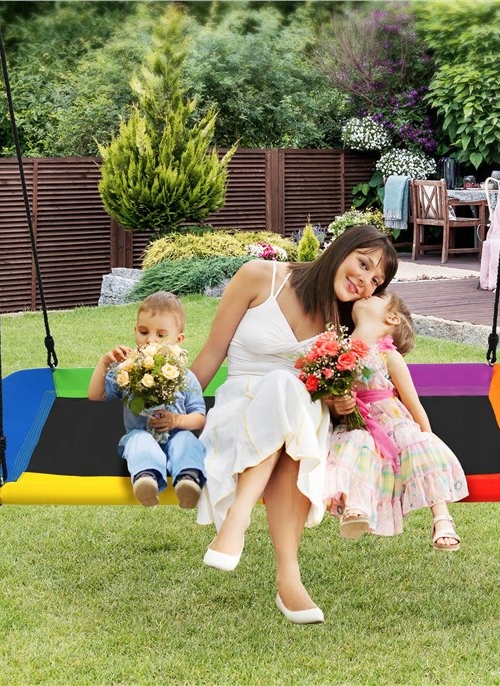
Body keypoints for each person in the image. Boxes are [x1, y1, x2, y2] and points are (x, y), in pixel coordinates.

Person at [190, 225, 397, 624]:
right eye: (363, 264)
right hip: (241, 413)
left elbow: (337, 391)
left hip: (301, 421)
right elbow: (211, 354)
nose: (365, 281)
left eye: (376, 281)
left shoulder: (344, 325)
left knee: (289, 397)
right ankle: (282, 572)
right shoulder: (259, 276)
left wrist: (339, 399)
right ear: (340, 250)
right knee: (283, 390)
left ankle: (249, 535)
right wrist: (170, 408)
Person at [325, 290, 468, 550]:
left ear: (391, 319)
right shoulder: (335, 350)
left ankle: (442, 517)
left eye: (378, 296)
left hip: (393, 423)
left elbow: (413, 404)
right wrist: (337, 405)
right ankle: (355, 506)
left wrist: (428, 439)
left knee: (413, 441)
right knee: (355, 443)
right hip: (358, 424)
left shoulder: (389, 356)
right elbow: (329, 400)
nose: (368, 293)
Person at [88, 291, 207, 509]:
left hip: (175, 435)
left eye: (161, 335)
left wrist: (177, 421)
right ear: (135, 330)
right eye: (143, 332)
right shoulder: (128, 371)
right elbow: (96, 395)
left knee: (187, 441)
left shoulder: (185, 377)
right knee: (138, 440)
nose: (150, 340)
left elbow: (199, 418)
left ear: (178, 340)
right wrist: (104, 363)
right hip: (141, 435)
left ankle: (188, 480)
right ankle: (146, 480)